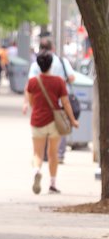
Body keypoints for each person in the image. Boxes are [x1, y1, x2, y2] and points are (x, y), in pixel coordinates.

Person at [23, 50, 79, 194]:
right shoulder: (59, 81)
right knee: (53, 153)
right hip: (55, 122)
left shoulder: (33, 82)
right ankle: (53, 184)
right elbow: (66, 103)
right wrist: (72, 120)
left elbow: (31, 102)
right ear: (51, 64)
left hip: (37, 120)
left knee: (37, 153)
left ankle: (36, 170)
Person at [26, 37, 76, 163]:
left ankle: (42, 156)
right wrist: (73, 120)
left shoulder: (36, 64)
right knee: (61, 126)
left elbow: (30, 85)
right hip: (59, 101)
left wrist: (28, 104)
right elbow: (72, 77)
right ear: (52, 48)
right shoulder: (61, 61)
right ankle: (58, 154)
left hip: (41, 103)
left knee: (41, 134)